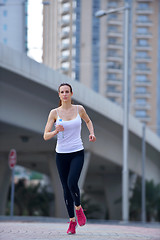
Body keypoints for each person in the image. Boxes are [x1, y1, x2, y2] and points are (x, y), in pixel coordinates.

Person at [43, 83, 96, 234]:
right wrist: (55, 131)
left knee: (72, 182)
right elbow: (45, 135)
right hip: (61, 155)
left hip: (77, 152)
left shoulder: (79, 109)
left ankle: (78, 208)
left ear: (71, 94)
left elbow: (88, 121)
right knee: (65, 189)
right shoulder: (54, 113)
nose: (65, 94)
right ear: (59, 95)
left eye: (67, 91)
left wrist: (91, 133)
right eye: (62, 92)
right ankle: (72, 222)